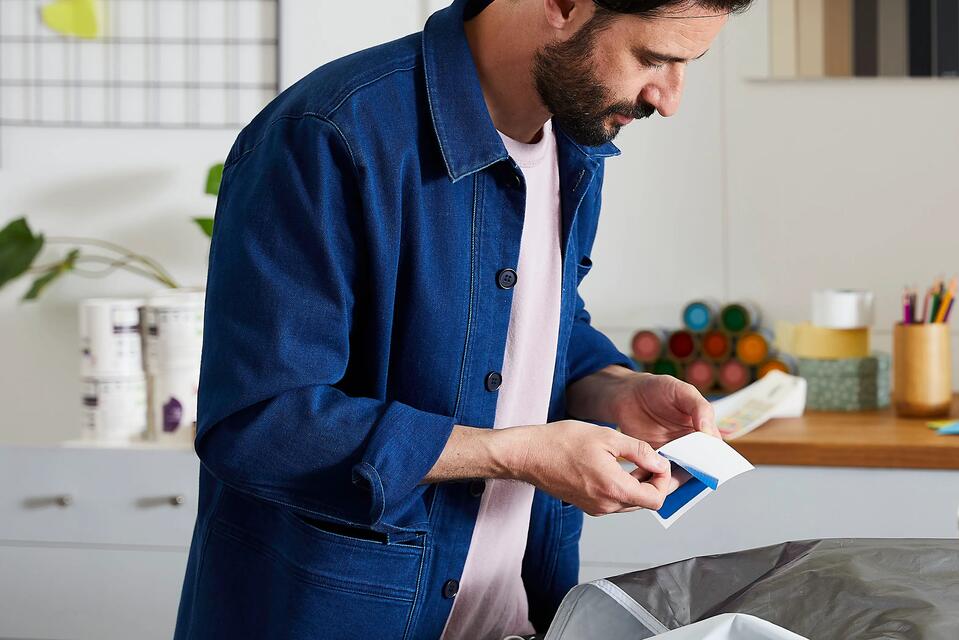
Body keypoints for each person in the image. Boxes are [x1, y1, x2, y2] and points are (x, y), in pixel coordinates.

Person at [174, 0, 751, 637]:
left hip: (517, 615)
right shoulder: (330, 134)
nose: (668, 99)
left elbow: (535, 323)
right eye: (653, 58)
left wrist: (613, 388)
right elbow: (258, 424)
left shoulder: (574, 140)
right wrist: (518, 453)